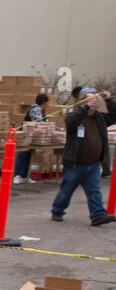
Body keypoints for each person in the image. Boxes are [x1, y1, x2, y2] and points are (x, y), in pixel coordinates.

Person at [50, 87, 116, 225]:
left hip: (93, 164)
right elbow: (71, 121)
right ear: (82, 103)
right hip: (75, 163)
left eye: (95, 100)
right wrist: (86, 107)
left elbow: (114, 115)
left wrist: (108, 99)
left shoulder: (99, 118)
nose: (94, 104)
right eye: (90, 101)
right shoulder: (75, 117)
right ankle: (57, 210)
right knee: (67, 190)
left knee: (95, 191)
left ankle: (98, 215)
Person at [13, 93, 49, 184]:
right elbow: (40, 123)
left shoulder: (42, 110)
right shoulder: (35, 110)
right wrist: (47, 126)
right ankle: (17, 175)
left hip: (33, 137)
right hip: (26, 136)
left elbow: (46, 121)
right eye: (47, 103)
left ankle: (24, 176)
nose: (48, 105)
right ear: (43, 102)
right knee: (23, 154)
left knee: (29, 156)